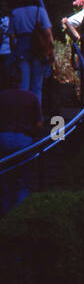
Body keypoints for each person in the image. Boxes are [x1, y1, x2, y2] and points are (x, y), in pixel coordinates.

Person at [0, 57, 45, 213]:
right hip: (24, 140)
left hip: (3, 139)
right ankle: (20, 216)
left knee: (4, 182)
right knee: (23, 182)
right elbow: (39, 124)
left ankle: (5, 217)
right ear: (21, 79)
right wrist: (33, 135)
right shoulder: (31, 97)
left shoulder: (2, 97)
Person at [10, 0, 54, 103]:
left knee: (23, 84)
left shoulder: (15, 13)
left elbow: (11, 36)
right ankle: (36, 114)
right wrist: (51, 51)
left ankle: (22, 113)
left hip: (21, 49)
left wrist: (13, 52)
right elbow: (48, 33)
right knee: (37, 86)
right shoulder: (40, 11)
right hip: (39, 48)